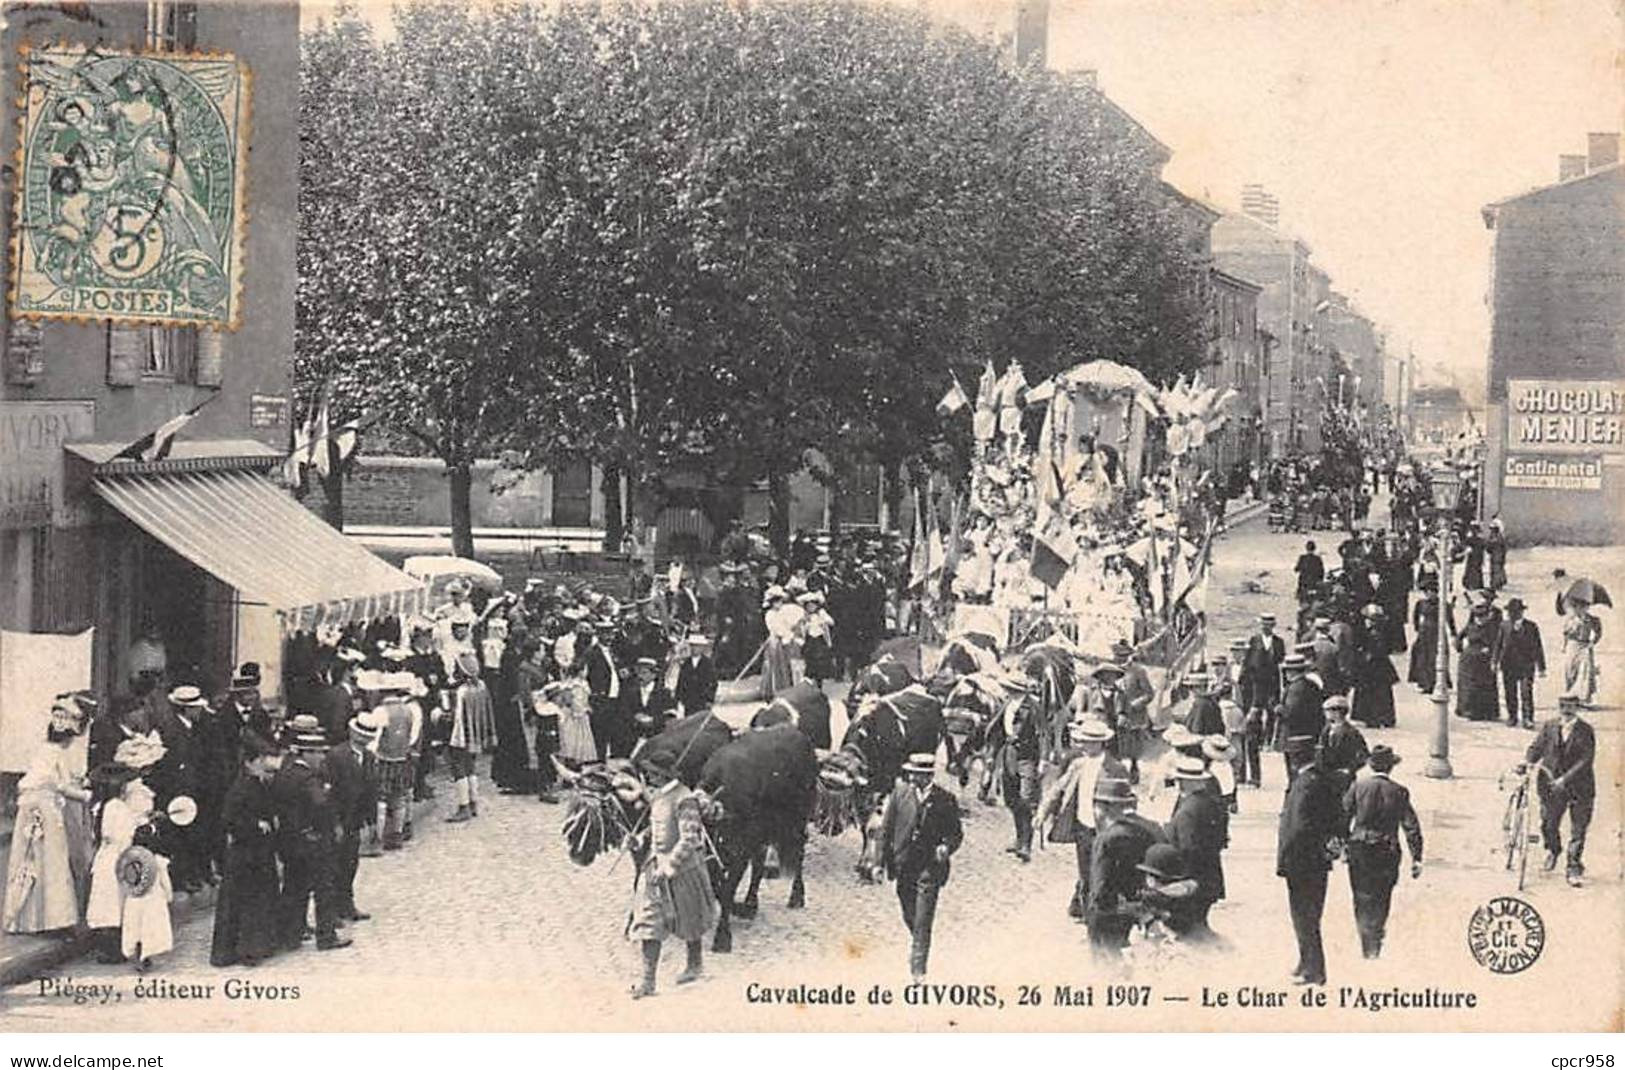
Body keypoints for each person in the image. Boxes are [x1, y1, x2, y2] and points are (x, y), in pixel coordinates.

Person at [625, 752, 721, 999]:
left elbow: (690, 839)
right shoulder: (660, 796)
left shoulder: (685, 799)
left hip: (684, 869)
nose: (648, 777)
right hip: (655, 865)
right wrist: (639, 840)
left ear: (663, 773)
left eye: (652, 772)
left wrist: (669, 867)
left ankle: (695, 964)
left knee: (690, 919)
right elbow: (655, 825)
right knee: (649, 919)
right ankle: (648, 982)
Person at [3, 702, 92, 934]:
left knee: (33, 862)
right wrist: (86, 795)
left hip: (31, 810)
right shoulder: (57, 753)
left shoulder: (44, 750)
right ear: (67, 737)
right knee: (54, 862)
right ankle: (55, 920)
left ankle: (32, 918)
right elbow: (60, 785)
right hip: (45, 812)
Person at [877, 752, 963, 981]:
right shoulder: (900, 794)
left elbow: (955, 834)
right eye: (912, 773)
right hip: (904, 865)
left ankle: (918, 969)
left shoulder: (946, 800)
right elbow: (885, 830)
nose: (913, 778)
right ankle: (918, 941)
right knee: (909, 913)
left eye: (918, 774)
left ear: (928, 776)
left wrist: (947, 847)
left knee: (924, 920)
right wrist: (878, 863)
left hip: (930, 868)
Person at [1035, 718, 1124, 922]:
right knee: (1085, 874)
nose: (1084, 745)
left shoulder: (1115, 768)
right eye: (1083, 740)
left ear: (1102, 743)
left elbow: (1125, 802)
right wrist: (1042, 813)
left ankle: (1096, 915)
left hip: (1104, 830)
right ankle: (1087, 915)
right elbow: (1057, 789)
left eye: (1090, 741)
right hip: (1082, 827)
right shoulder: (1078, 764)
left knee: (1100, 874)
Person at [272, 716, 348, 952]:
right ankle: (327, 936)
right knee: (324, 888)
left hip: (290, 841)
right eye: (318, 753)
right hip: (312, 841)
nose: (322, 758)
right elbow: (320, 805)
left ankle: (290, 935)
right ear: (307, 754)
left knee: (295, 888)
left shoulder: (285, 771)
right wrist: (328, 824)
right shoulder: (308, 778)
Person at [210, 733, 284, 967]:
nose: (265, 764)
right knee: (248, 902)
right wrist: (255, 824)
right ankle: (247, 950)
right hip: (246, 853)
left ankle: (257, 945)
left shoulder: (257, 783)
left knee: (254, 900)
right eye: (261, 760)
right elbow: (228, 818)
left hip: (257, 852)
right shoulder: (242, 786)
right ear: (251, 762)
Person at [1342, 745, 1422, 959]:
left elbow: (1343, 818)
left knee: (1360, 893)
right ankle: (1376, 935)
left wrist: (1342, 845)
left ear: (1371, 765)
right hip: (1387, 848)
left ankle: (1365, 938)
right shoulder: (1399, 791)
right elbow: (1411, 826)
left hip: (1359, 846)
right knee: (1382, 894)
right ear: (1390, 768)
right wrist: (1417, 858)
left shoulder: (1358, 787)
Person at [1277, 740, 1342, 985]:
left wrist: (1287, 857)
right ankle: (1306, 961)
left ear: (1295, 760)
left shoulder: (1304, 785)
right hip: (1315, 861)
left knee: (1304, 917)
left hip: (1301, 861)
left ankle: (1313, 970)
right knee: (1309, 915)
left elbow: (1300, 827)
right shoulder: (1319, 779)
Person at [1085, 776, 1166, 961]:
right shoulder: (1149, 830)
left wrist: (1095, 916)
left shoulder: (1105, 839)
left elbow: (1100, 887)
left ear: (1104, 808)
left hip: (1109, 915)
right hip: (1144, 909)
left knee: (1107, 969)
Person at [1523, 694, 1596, 887]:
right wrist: (1527, 761)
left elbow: (1586, 760)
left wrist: (1565, 779)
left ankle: (1573, 867)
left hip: (1580, 787)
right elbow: (1536, 748)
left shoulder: (1585, 731)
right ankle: (1553, 850)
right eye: (1563, 705)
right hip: (1550, 785)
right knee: (1548, 823)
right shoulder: (1549, 726)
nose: (1566, 709)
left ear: (1577, 707)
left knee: (1578, 829)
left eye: (1570, 706)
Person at [86, 775, 152, 962]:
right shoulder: (118, 808)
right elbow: (121, 835)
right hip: (117, 857)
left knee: (107, 903)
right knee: (114, 903)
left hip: (107, 858)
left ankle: (110, 948)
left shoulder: (106, 807)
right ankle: (113, 949)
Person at [1164, 754, 1228, 936]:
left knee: (1190, 932)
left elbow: (1187, 849)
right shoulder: (1212, 803)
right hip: (1211, 875)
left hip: (1192, 881)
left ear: (1184, 782)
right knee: (1199, 925)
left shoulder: (1188, 811)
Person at [985, 691, 1042, 862]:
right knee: (1012, 799)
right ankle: (1019, 839)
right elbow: (997, 732)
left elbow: (1043, 733)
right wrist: (991, 754)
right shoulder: (1007, 704)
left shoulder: (1033, 706)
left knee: (1026, 799)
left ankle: (1026, 844)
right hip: (1008, 755)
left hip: (1027, 756)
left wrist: (1045, 759)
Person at [442, 652, 494, 822]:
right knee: (471, 766)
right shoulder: (481, 686)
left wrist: (440, 716)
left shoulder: (460, 691)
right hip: (475, 733)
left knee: (458, 767)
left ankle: (463, 806)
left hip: (460, 734)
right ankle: (473, 802)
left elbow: (454, 716)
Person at [1276, 653, 1325, 785]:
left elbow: (1291, 713)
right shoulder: (1311, 685)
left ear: (1291, 671)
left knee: (1294, 774)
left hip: (1294, 736)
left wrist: (1279, 709)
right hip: (1310, 734)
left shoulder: (1295, 689)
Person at [1455, 591, 1503, 721]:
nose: (1480, 619)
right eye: (1478, 617)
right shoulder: (1471, 624)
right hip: (1469, 661)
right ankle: (1468, 710)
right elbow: (1460, 636)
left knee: (1485, 686)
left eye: (1482, 617)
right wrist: (1460, 648)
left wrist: (1491, 654)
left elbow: (1496, 641)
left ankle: (1486, 712)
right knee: (1469, 686)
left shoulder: (1494, 621)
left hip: (1484, 661)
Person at [1499, 598, 1546, 729]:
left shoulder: (1531, 627)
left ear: (1521, 612)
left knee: (1526, 693)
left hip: (1526, 665)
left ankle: (1528, 718)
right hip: (1508, 665)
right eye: (1510, 612)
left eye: (1515, 612)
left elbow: (1538, 647)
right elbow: (1499, 644)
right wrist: (1495, 661)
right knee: (1510, 692)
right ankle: (1512, 716)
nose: (1512, 614)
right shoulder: (1504, 625)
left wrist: (1541, 667)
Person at [1351, 605, 1398, 728]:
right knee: (1383, 694)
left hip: (1373, 669)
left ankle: (1373, 718)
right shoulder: (1381, 632)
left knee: (1373, 694)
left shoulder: (1374, 634)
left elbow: (1374, 651)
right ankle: (1386, 718)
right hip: (1381, 668)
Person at [759, 586, 801, 699]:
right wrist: (787, 634)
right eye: (777, 602)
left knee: (784, 665)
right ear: (772, 603)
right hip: (775, 641)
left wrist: (791, 631)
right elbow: (776, 628)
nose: (780, 604)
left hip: (783, 641)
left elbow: (786, 625)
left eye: (781, 602)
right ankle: (773, 690)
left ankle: (784, 688)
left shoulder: (781, 613)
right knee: (775, 665)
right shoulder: (770, 614)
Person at [1408, 589, 1452, 694]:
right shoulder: (1421, 603)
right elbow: (1415, 616)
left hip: (1437, 632)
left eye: (1432, 592)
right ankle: (1424, 683)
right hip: (1424, 633)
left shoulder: (1443, 604)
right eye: (1427, 592)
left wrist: (1453, 633)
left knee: (1435, 657)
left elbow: (1450, 619)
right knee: (1422, 657)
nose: (1429, 594)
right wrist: (1417, 628)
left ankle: (1437, 683)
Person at [626, 656, 677, 744]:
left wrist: (653, 720)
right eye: (638, 673)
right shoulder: (631, 692)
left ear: (653, 675)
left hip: (656, 738)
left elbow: (671, 715)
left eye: (644, 673)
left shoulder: (664, 693)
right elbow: (624, 712)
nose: (640, 676)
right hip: (633, 738)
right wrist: (635, 716)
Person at [1559, 599, 1599, 707]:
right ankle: (1571, 695)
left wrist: (1593, 642)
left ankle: (1585, 698)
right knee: (1570, 670)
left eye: (1584, 607)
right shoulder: (1570, 619)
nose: (1581, 609)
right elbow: (1566, 634)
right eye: (1578, 607)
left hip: (1585, 645)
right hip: (1573, 645)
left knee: (1586, 671)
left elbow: (1598, 632)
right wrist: (1564, 646)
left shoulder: (1593, 620)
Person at [798, 591, 836, 688]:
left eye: (813, 605)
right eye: (809, 606)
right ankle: (809, 683)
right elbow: (801, 628)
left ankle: (819, 684)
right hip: (810, 641)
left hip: (819, 640)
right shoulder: (805, 616)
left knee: (820, 662)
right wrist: (805, 625)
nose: (811, 607)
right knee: (810, 662)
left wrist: (823, 621)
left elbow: (831, 622)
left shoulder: (821, 613)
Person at [674, 634, 718, 715]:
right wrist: (678, 699)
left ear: (702, 648)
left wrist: (709, 699)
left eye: (697, 646)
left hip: (702, 700)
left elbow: (713, 683)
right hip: (689, 701)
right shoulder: (686, 664)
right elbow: (681, 681)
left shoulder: (708, 664)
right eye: (693, 646)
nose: (694, 649)